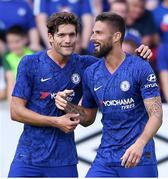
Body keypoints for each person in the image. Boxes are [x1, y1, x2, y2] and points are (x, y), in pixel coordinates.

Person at [9, 12, 153, 177]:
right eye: (61, 35)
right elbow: (16, 111)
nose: (67, 40)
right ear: (50, 37)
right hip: (28, 157)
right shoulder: (30, 63)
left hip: (63, 160)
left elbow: (118, 62)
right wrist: (56, 121)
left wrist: (140, 55)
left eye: (72, 34)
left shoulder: (87, 65)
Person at [55, 12, 163, 177]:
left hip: (139, 157)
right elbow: (88, 118)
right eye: (92, 32)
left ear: (116, 36)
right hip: (105, 159)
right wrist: (66, 105)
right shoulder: (91, 73)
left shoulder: (140, 67)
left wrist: (139, 144)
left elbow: (156, 115)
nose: (92, 38)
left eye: (98, 33)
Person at [3, 26, 33, 102]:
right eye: (10, 42)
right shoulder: (7, 57)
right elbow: (10, 80)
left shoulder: (33, 55)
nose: (13, 46)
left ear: (25, 39)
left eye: (17, 41)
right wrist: (11, 103)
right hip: (17, 89)